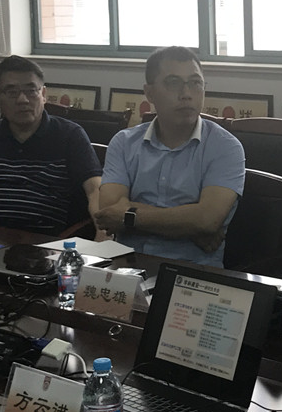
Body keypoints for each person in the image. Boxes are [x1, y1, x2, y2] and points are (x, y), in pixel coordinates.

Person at [95, 46, 245, 267]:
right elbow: (109, 213)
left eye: (196, 83)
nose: (187, 94)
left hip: (191, 275)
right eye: (173, 83)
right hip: (128, 268)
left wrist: (129, 216)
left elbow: (207, 220)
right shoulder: (124, 142)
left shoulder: (225, 147)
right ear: (149, 93)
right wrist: (189, 226)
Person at [0, 56, 102, 236]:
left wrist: (103, 234)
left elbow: (95, 190)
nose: (22, 100)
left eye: (31, 91)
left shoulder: (70, 135)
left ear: (44, 95)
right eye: (12, 92)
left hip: (47, 242)